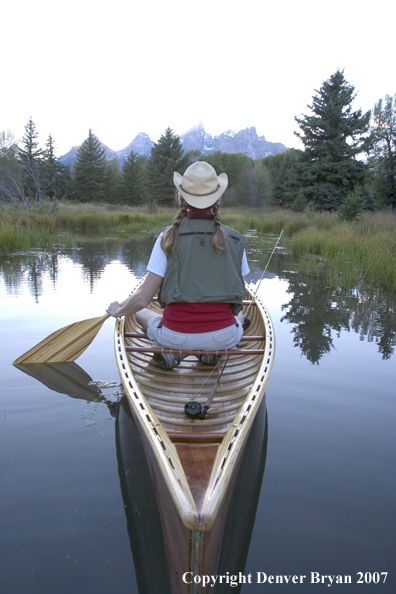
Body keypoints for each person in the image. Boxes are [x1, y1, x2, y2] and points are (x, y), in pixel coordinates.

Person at [106, 161, 250, 369]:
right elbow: (239, 291)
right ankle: (208, 355)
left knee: (138, 311)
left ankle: (177, 355)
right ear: (217, 198)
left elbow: (143, 299)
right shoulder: (235, 240)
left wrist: (119, 310)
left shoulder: (167, 237)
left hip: (174, 337)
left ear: (182, 198)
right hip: (224, 338)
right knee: (239, 314)